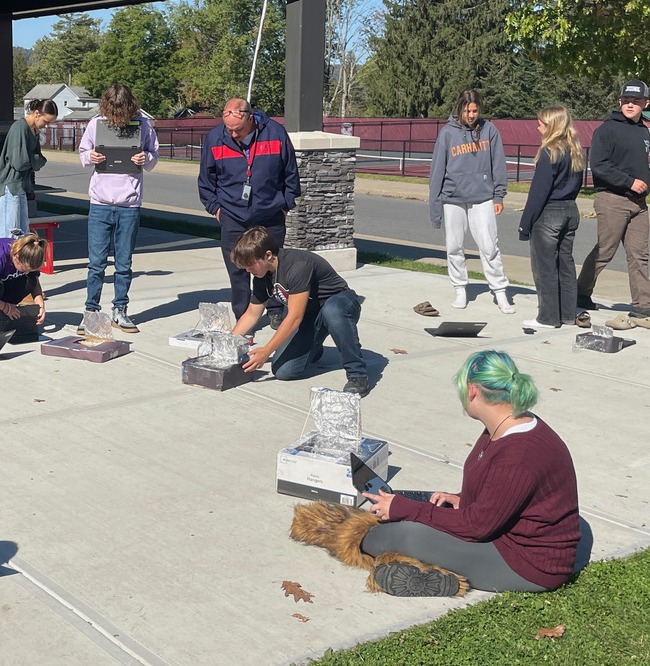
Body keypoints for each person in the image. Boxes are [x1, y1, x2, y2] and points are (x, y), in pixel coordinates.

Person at [291, 350, 580, 598]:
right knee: (407, 521)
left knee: (381, 538)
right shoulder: (509, 425)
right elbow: (502, 495)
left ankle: (430, 575)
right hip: (504, 536)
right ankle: (421, 568)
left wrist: (406, 508)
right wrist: (461, 499)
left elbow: (478, 526)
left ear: (472, 390)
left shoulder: (518, 456)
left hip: (528, 564)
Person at [229, 226, 369, 396]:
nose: (247, 270)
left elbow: (294, 317)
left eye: (250, 264)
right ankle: (314, 346)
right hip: (311, 315)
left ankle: (357, 374)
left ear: (268, 255)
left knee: (332, 311)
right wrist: (227, 345)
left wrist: (266, 351)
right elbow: (252, 314)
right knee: (283, 371)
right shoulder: (262, 276)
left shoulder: (297, 265)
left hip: (341, 303)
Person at [197, 98, 300, 324]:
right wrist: (217, 210)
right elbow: (206, 180)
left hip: (270, 213)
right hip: (232, 215)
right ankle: (243, 316)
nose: (233, 134)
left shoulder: (275, 133)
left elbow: (291, 173)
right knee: (238, 269)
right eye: (229, 129)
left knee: (271, 264)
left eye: (238, 130)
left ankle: (275, 309)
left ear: (250, 118)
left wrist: (285, 205)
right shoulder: (215, 138)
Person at [77, 84, 159, 333]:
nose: (117, 115)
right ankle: (91, 311)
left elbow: (154, 156)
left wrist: (146, 158)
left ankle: (120, 309)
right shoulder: (96, 123)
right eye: (113, 110)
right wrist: (90, 157)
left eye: (121, 110)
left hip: (129, 204)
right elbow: (82, 153)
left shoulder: (143, 125)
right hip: (99, 203)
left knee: (124, 263)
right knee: (96, 263)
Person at [428, 89, 514, 314]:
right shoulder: (447, 133)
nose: (471, 115)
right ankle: (460, 289)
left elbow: (498, 164)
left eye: (475, 111)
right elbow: (437, 172)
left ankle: (500, 291)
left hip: (483, 196)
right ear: (460, 109)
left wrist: (499, 195)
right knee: (454, 246)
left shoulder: (489, 130)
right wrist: (435, 208)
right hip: (453, 198)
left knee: (489, 245)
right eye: (467, 111)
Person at [575, 80, 650, 319]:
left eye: (636, 101)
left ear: (646, 104)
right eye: (626, 100)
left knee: (639, 255)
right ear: (619, 102)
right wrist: (629, 182)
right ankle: (580, 292)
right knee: (606, 250)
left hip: (639, 203)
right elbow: (599, 166)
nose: (630, 104)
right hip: (612, 199)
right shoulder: (606, 130)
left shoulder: (644, 131)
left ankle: (642, 306)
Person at [518, 106, 585, 329]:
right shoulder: (575, 150)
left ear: (552, 126)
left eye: (541, 124)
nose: (538, 127)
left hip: (550, 212)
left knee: (544, 267)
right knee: (566, 265)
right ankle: (567, 315)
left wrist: (525, 224)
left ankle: (547, 317)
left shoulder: (549, 152)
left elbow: (539, 192)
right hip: (570, 209)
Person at [0, 99, 57, 238]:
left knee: (24, 236)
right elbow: (19, 162)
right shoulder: (20, 128)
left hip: (21, 186)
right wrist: (34, 160)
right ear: (37, 113)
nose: (46, 126)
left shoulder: (35, 131)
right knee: (11, 236)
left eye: (50, 123)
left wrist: (32, 159)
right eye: (45, 122)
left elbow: (38, 160)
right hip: (9, 186)